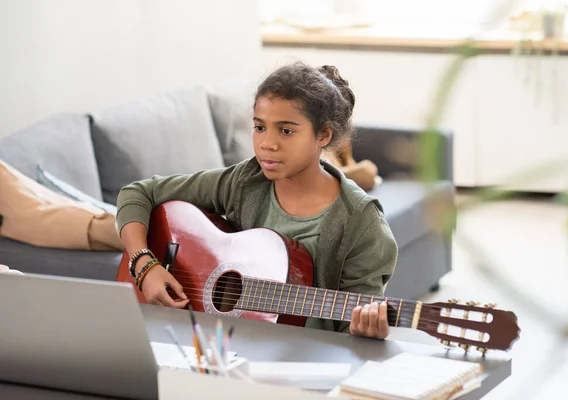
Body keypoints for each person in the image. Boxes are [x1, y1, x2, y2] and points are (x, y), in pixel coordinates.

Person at [116, 62, 398, 339]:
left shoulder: (362, 222)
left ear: (323, 134)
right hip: (221, 348)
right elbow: (139, 193)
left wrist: (364, 331)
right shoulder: (246, 181)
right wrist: (145, 266)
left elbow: (354, 333)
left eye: (286, 131)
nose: (267, 143)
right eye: (260, 127)